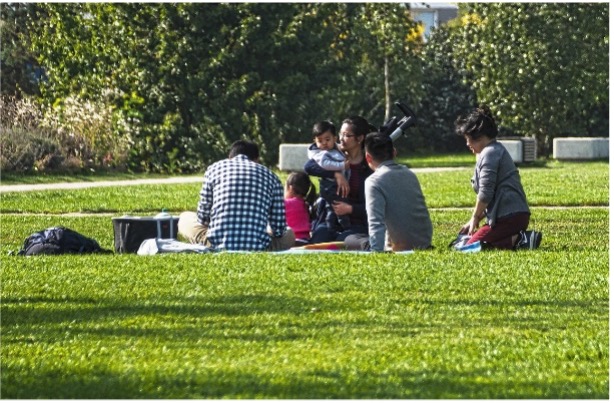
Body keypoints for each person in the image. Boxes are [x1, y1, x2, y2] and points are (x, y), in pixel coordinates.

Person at [178, 140, 295, 251]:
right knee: (289, 233)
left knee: (184, 218)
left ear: (230, 157)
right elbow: (279, 230)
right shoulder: (272, 177)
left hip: (215, 243)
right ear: (257, 159)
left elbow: (203, 218)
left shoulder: (214, 169)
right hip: (259, 245)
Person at [455, 105, 542, 250]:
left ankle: (520, 239)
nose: (467, 143)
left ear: (480, 137)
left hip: (510, 217)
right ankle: (519, 240)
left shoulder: (490, 153)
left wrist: (475, 218)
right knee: (467, 243)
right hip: (510, 216)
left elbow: (485, 194)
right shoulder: (491, 151)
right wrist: (474, 221)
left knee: (471, 247)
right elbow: (492, 198)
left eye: (468, 139)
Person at [344, 132, 433, 252]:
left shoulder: (374, 181)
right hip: (424, 243)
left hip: (398, 247)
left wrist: (377, 252)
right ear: (394, 152)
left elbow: (375, 221)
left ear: (368, 157)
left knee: (350, 239)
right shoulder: (409, 173)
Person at [304, 115, 375, 244]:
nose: (341, 139)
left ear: (359, 138)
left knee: (347, 241)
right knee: (318, 242)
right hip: (328, 220)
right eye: (340, 134)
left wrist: (350, 209)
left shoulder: (369, 167)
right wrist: (336, 174)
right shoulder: (334, 156)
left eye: (347, 135)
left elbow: (374, 206)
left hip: (356, 223)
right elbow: (309, 166)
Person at [307, 121, 351, 231]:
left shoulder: (334, 148)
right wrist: (341, 166)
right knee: (337, 205)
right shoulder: (320, 154)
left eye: (327, 139)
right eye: (320, 141)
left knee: (331, 208)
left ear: (334, 138)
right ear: (315, 141)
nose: (324, 143)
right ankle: (344, 226)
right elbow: (325, 164)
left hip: (334, 186)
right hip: (330, 186)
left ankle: (333, 226)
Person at [284, 171, 317, 245]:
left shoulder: (286, 203)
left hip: (291, 240)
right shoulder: (306, 204)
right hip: (305, 240)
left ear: (290, 188)